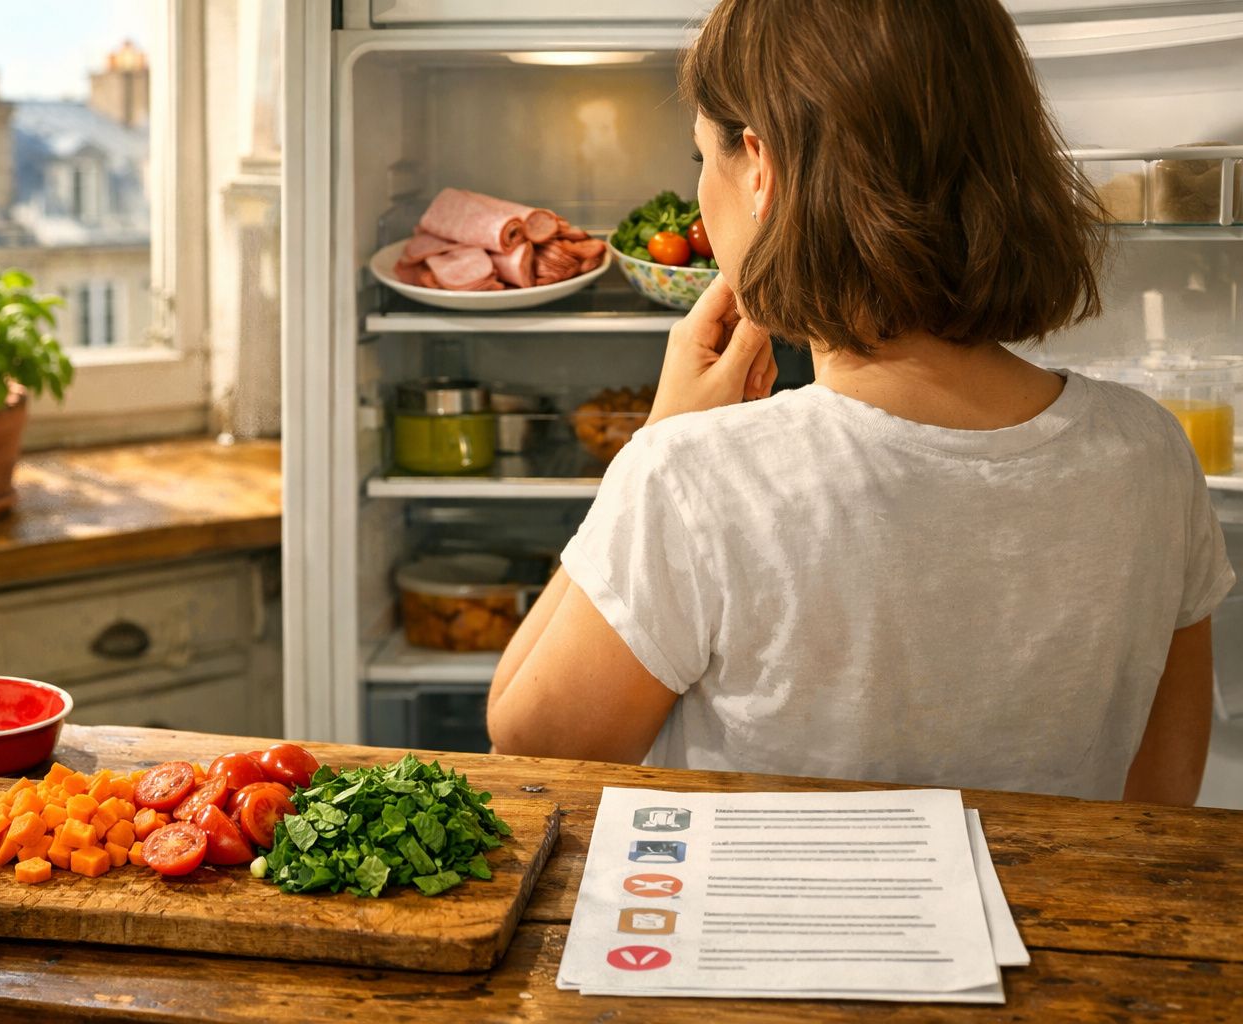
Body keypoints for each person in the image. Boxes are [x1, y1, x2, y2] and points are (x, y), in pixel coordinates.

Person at [485, 0, 1232, 806]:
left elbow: (532, 748)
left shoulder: (693, 473)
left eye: (701, 154)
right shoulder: (1151, 449)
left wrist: (661, 434)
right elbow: (1161, 800)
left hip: (760, 933)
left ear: (761, 168)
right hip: (1043, 931)